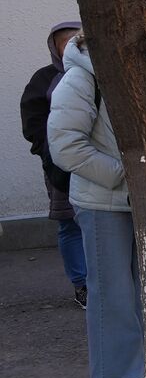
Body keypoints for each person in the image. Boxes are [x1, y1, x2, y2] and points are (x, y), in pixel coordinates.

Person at [47, 33, 143, 378]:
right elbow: (65, 145)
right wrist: (126, 174)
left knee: (129, 291)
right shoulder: (82, 77)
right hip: (104, 202)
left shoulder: (118, 74)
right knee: (111, 294)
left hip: (127, 200)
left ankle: (127, 372)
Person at [20, 21, 87, 308]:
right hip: (60, 167)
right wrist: (47, 152)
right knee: (70, 225)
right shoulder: (44, 78)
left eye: (78, 39)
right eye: (66, 41)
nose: (73, 44)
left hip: (100, 165)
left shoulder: (99, 74)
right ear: (55, 47)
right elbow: (32, 122)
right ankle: (82, 284)